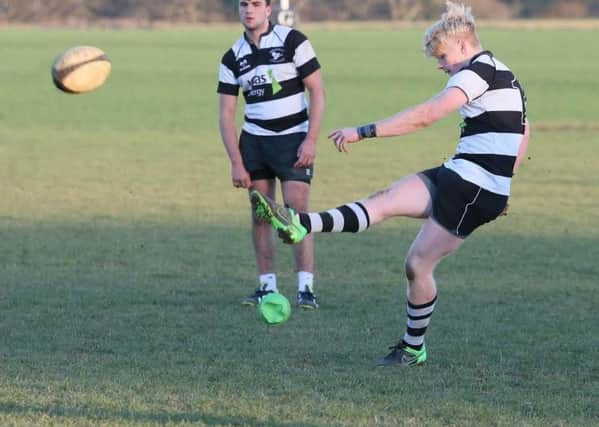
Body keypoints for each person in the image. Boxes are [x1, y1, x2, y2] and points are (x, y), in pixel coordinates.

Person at [250, 0, 530, 366]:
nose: (442, 67)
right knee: (384, 199)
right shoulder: (502, 73)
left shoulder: (477, 71)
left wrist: (364, 131)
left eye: (443, 57)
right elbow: (524, 132)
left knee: (417, 264)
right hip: (462, 173)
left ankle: (413, 349)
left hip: (474, 188)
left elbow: (426, 116)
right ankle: (300, 223)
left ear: (464, 44)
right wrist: (506, 179)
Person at [217, 0, 325, 309]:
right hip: (255, 143)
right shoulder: (232, 57)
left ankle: (306, 289)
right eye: (243, 4)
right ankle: (266, 287)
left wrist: (311, 139)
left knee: (297, 212)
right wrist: (236, 161)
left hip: (293, 140)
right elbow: (226, 115)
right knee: (261, 215)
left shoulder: (293, 41)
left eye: (255, 4)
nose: (248, 9)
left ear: (268, 9)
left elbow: (317, 91)